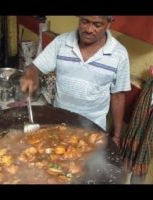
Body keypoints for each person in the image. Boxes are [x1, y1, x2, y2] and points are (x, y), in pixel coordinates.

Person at [20, 16, 131, 147]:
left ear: (109, 24)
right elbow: (35, 67)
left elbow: (118, 96)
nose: (89, 29)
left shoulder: (119, 54)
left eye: (97, 25)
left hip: (93, 130)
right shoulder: (61, 42)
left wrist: (117, 136)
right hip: (59, 124)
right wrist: (31, 73)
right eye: (85, 22)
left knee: (89, 166)